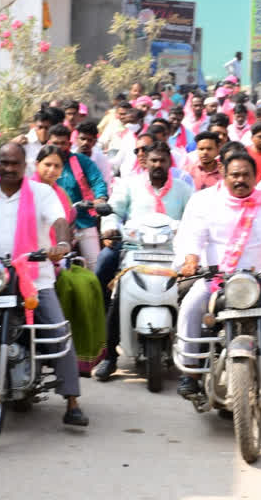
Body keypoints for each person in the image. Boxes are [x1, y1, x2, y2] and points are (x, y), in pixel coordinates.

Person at [0, 142, 89, 426]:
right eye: (4, 163)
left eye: (15, 164)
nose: (9, 169)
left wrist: (60, 242)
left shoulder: (42, 193)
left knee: (56, 332)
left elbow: (58, 220)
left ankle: (72, 401)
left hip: (34, 275)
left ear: (25, 166)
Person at [174, 152, 261, 397]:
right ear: (224, 176)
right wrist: (190, 259)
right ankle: (191, 373)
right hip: (217, 278)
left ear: (255, 177)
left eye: (246, 175)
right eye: (235, 175)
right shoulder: (204, 200)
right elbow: (193, 235)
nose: (241, 180)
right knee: (190, 305)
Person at [93, 142, 193, 380]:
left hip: (173, 255)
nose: (158, 165)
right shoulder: (129, 185)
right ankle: (110, 357)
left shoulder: (183, 188)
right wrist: (109, 228)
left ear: (170, 163)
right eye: (154, 160)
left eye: (162, 161)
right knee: (118, 295)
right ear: (145, 162)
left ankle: (191, 356)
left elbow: (194, 216)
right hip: (135, 251)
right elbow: (114, 212)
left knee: (192, 296)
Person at [47, 124, 109, 271]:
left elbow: (97, 181)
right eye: (55, 143)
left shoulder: (82, 161)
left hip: (83, 220)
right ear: (49, 143)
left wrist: (100, 198)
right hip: (51, 224)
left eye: (63, 143)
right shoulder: (45, 164)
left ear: (70, 143)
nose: (59, 147)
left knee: (95, 265)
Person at [73, 120, 112, 190]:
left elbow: (106, 183)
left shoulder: (102, 159)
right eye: (82, 139)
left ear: (95, 142)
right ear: (76, 139)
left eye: (89, 140)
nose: (85, 143)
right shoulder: (70, 156)